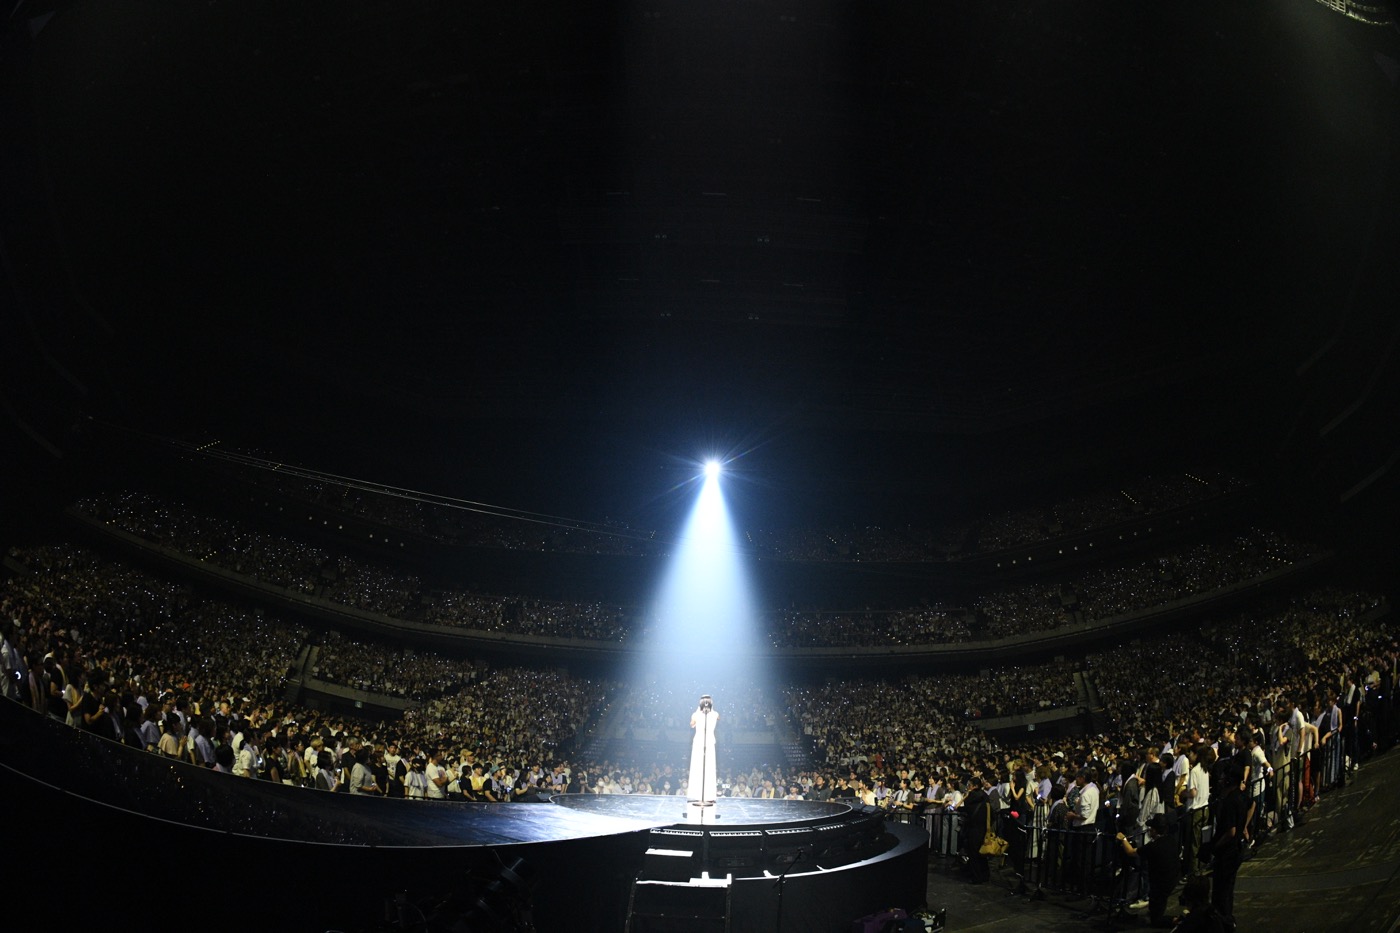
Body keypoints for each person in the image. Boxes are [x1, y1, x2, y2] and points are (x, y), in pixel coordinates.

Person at [687, 694, 719, 805]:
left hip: (709, 741)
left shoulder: (714, 714)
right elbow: (692, 724)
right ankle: (697, 794)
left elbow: (716, 717)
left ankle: (708, 795)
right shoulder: (696, 715)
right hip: (699, 742)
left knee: (708, 768)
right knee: (698, 767)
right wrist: (698, 714)